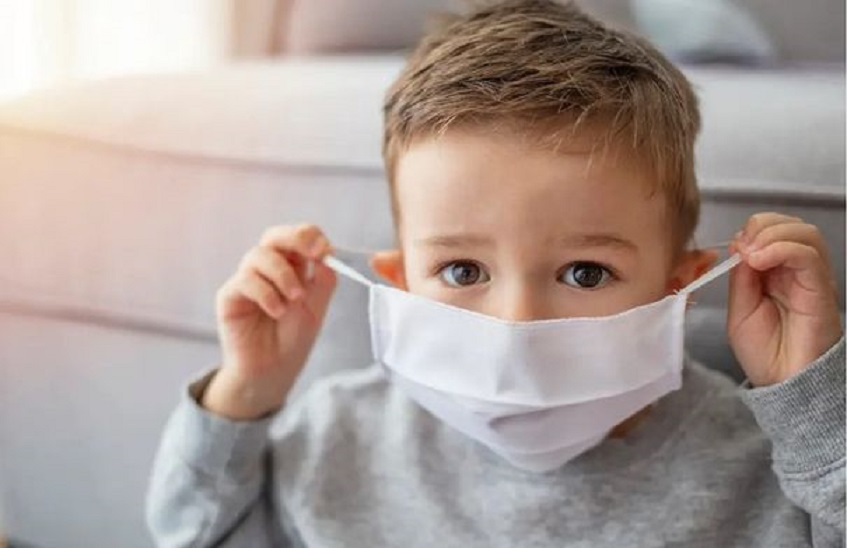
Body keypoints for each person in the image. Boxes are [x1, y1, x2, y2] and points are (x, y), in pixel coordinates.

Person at [146, 1, 845, 546]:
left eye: (585, 273)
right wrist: (244, 394)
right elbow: (195, 536)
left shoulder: (762, 460)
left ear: (678, 286)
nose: (516, 325)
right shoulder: (340, 437)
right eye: (461, 269)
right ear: (399, 282)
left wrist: (809, 403)